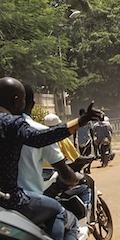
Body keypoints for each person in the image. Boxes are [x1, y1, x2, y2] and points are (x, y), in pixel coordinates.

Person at [0, 78, 102, 240]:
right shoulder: (11, 123)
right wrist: (80, 121)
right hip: (12, 199)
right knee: (59, 211)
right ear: (17, 99)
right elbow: (40, 138)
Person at [18, 85, 87, 224]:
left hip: (3, 200)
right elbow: (73, 160)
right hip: (34, 193)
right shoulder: (42, 133)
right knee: (65, 216)